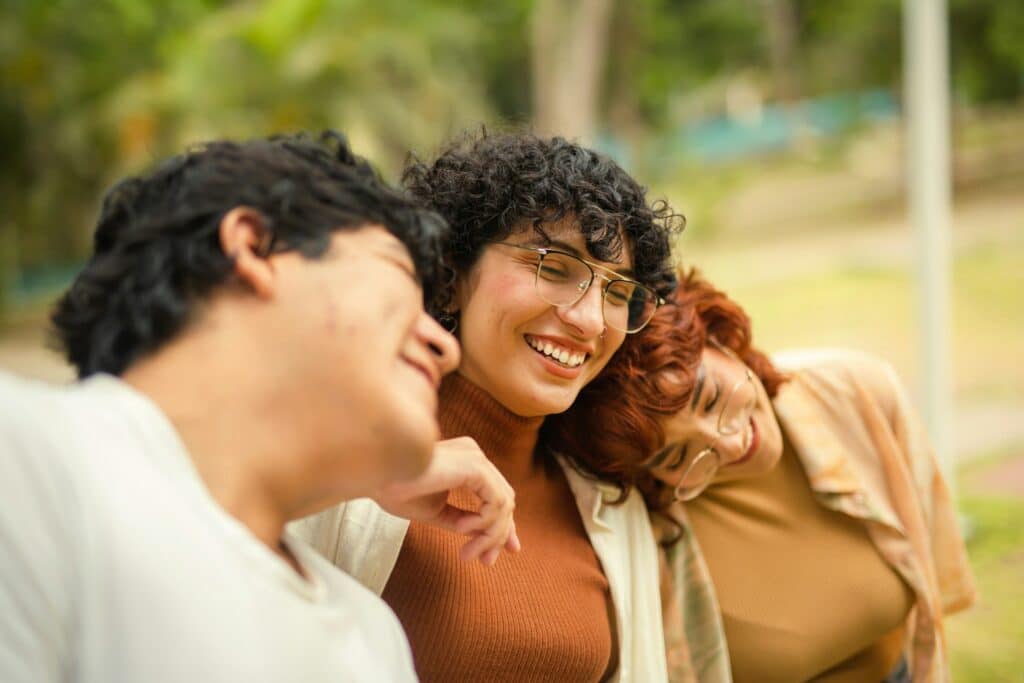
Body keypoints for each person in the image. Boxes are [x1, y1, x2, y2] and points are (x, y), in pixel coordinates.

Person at [0, 131, 520, 683]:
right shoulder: (28, 461)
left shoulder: (371, 638)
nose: (444, 347)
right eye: (398, 275)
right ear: (253, 246)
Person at [295, 131, 683, 681]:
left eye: (617, 293)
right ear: (450, 276)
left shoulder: (610, 508)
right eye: (554, 267)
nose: (591, 320)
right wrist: (360, 477)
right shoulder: (340, 470)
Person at [550, 268, 977, 682]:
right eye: (679, 456)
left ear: (720, 340)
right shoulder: (651, 537)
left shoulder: (857, 392)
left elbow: (936, 589)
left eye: (713, 397)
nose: (731, 444)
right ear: (651, 478)